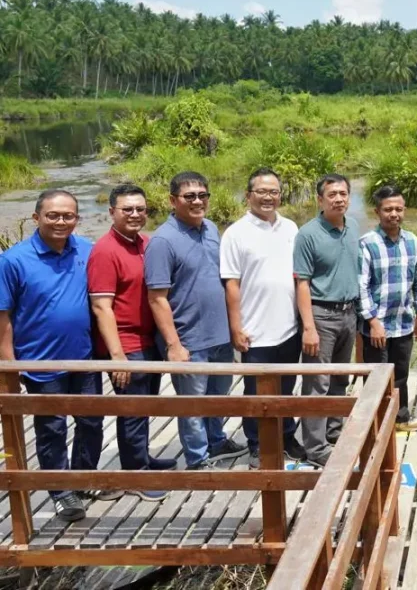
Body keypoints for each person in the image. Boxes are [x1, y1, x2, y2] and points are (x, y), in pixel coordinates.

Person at [0, 190, 101, 522]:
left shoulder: (86, 250)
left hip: (85, 358)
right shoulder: (14, 260)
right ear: (36, 218)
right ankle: (61, 491)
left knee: (91, 421)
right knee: (52, 428)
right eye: (53, 215)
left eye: (68, 215)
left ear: (77, 218)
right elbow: (3, 317)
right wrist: (10, 366)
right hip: (40, 362)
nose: (61, 222)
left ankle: (84, 478)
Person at [146, 171, 247, 471]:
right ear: (172, 200)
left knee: (218, 397)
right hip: (189, 339)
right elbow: (157, 298)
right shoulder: (163, 241)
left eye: (203, 195)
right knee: (192, 404)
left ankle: (216, 440)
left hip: (220, 335)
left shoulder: (212, 229)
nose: (197, 201)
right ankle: (197, 458)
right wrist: (173, 345)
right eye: (189, 196)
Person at [87, 184, 177, 503]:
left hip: (147, 339)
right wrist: (117, 356)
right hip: (125, 343)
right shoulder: (105, 251)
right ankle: (134, 473)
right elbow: (101, 306)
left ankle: (142, 460)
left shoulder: (145, 243)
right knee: (132, 410)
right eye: (128, 209)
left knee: (145, 406)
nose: (136, 214)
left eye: (141, 209)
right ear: (111, 212)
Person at [221, 168, 306, 470]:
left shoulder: (291, 228)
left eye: (273, 192)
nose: (268, 197)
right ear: (248, 195)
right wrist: (236, 327)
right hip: (254, 331)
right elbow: (231, 284)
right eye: (262, 191)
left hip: (288, 327)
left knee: (287, 386)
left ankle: (286, 435)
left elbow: (299, 277)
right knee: (255, 392)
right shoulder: (235, 233)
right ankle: (256, 443)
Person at [293, 174, 361, 467]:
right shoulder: (308, 234)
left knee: (340, 377)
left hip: (349, 313)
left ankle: (334, 433)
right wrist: (308, 327)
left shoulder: (353, 226)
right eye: (332, 194)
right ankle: (316, 447)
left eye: (343, 193)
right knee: (317, 382)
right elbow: (302, 283)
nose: (338, 199)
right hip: (321, 315)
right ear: (320, 199)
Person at [358, 184, 417, 432]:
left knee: (401, 375)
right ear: (377, 212)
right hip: (378, 326)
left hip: (404, 321)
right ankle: (374, 423)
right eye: (388, 209)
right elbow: (361, 286)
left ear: (404, 210)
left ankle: (400, 417)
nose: (393, 214)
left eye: (398, 209)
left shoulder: (412, 241)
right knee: (376, 377)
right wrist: (373, 322)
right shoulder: (368, 243)